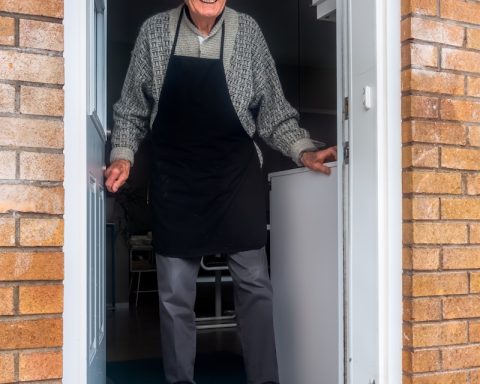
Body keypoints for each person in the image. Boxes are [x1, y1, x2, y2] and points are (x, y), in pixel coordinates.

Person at [105, 0, 337, 383]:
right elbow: (130, 109)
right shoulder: (154, 33)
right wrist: (123, 155)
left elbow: (274, 111)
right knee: (175, 298)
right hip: (176, 182)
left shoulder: (247, 32)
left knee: (256, 290)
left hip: (235, 177)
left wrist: (302, 149)